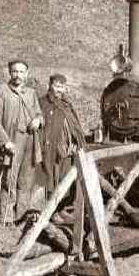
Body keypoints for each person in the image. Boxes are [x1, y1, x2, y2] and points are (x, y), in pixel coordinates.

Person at [0, 60, 43, 224]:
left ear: (26, 73)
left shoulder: (31, 93)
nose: (18, 75)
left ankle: (21, 218)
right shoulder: (0, 92)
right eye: (14, 71)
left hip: (30, 141)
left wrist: (38, 121)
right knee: (9, 182)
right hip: (12, 142)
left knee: (26, 181)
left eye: (21, 72)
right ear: (9, 73)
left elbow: (39, 114)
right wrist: (5, 142)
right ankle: (6, 219)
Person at [39, 74, 86, 203]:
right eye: (56, 86)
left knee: (65, 178)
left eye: (62, 87)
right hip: (51, 148)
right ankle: (51, 211)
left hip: (68, 148)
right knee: (51, 179)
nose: (59, 90)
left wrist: (77, 141)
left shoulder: (66, 104)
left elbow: (75, 125)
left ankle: (61, 208)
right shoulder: (43, 103)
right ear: (49, 86)